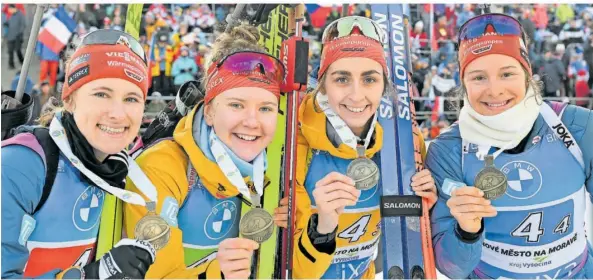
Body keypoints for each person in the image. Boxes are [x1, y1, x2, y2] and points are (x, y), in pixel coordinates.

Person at [426, 13, 593, 279]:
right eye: (478, 77)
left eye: (507, 74)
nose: (494, 90)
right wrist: (467, 230)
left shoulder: (576, 127)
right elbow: (452, 268)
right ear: (464, 84)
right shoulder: (448, 150)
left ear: (527, 74)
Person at [273, 16, 437, 279]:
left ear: (384, 85)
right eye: (341, 79)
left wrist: (426, 209)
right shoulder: (294, 142)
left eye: (370, 79)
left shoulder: (404, 142)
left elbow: (404, 234)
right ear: (323, 84)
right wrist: (322, 228)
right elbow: (296, 271)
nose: (357, 95)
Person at [124, 23, 287, 278]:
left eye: (265, 108)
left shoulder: (273, 166)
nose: (252, 121)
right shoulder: (162, 167)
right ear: (209, 111)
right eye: (236, 105)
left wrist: (312, 228)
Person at [1, 29, 156, 279]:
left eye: (131, 98)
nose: (117, 114)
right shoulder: (21, 164)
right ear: (70, 99)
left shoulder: (123, 171)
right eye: (101, 94)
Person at [5, 4, 25, 70]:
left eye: (10, 9)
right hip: (10, 37)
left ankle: (23, 62)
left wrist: (20, 33)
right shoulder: (11, 16)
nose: (9, 11)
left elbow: (23, 24)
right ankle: (11, 65)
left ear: (13, 8)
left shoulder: (20, 15)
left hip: (17, 37)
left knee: (18, 50)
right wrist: (6, 24)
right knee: (10, 51)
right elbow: (8, 23)